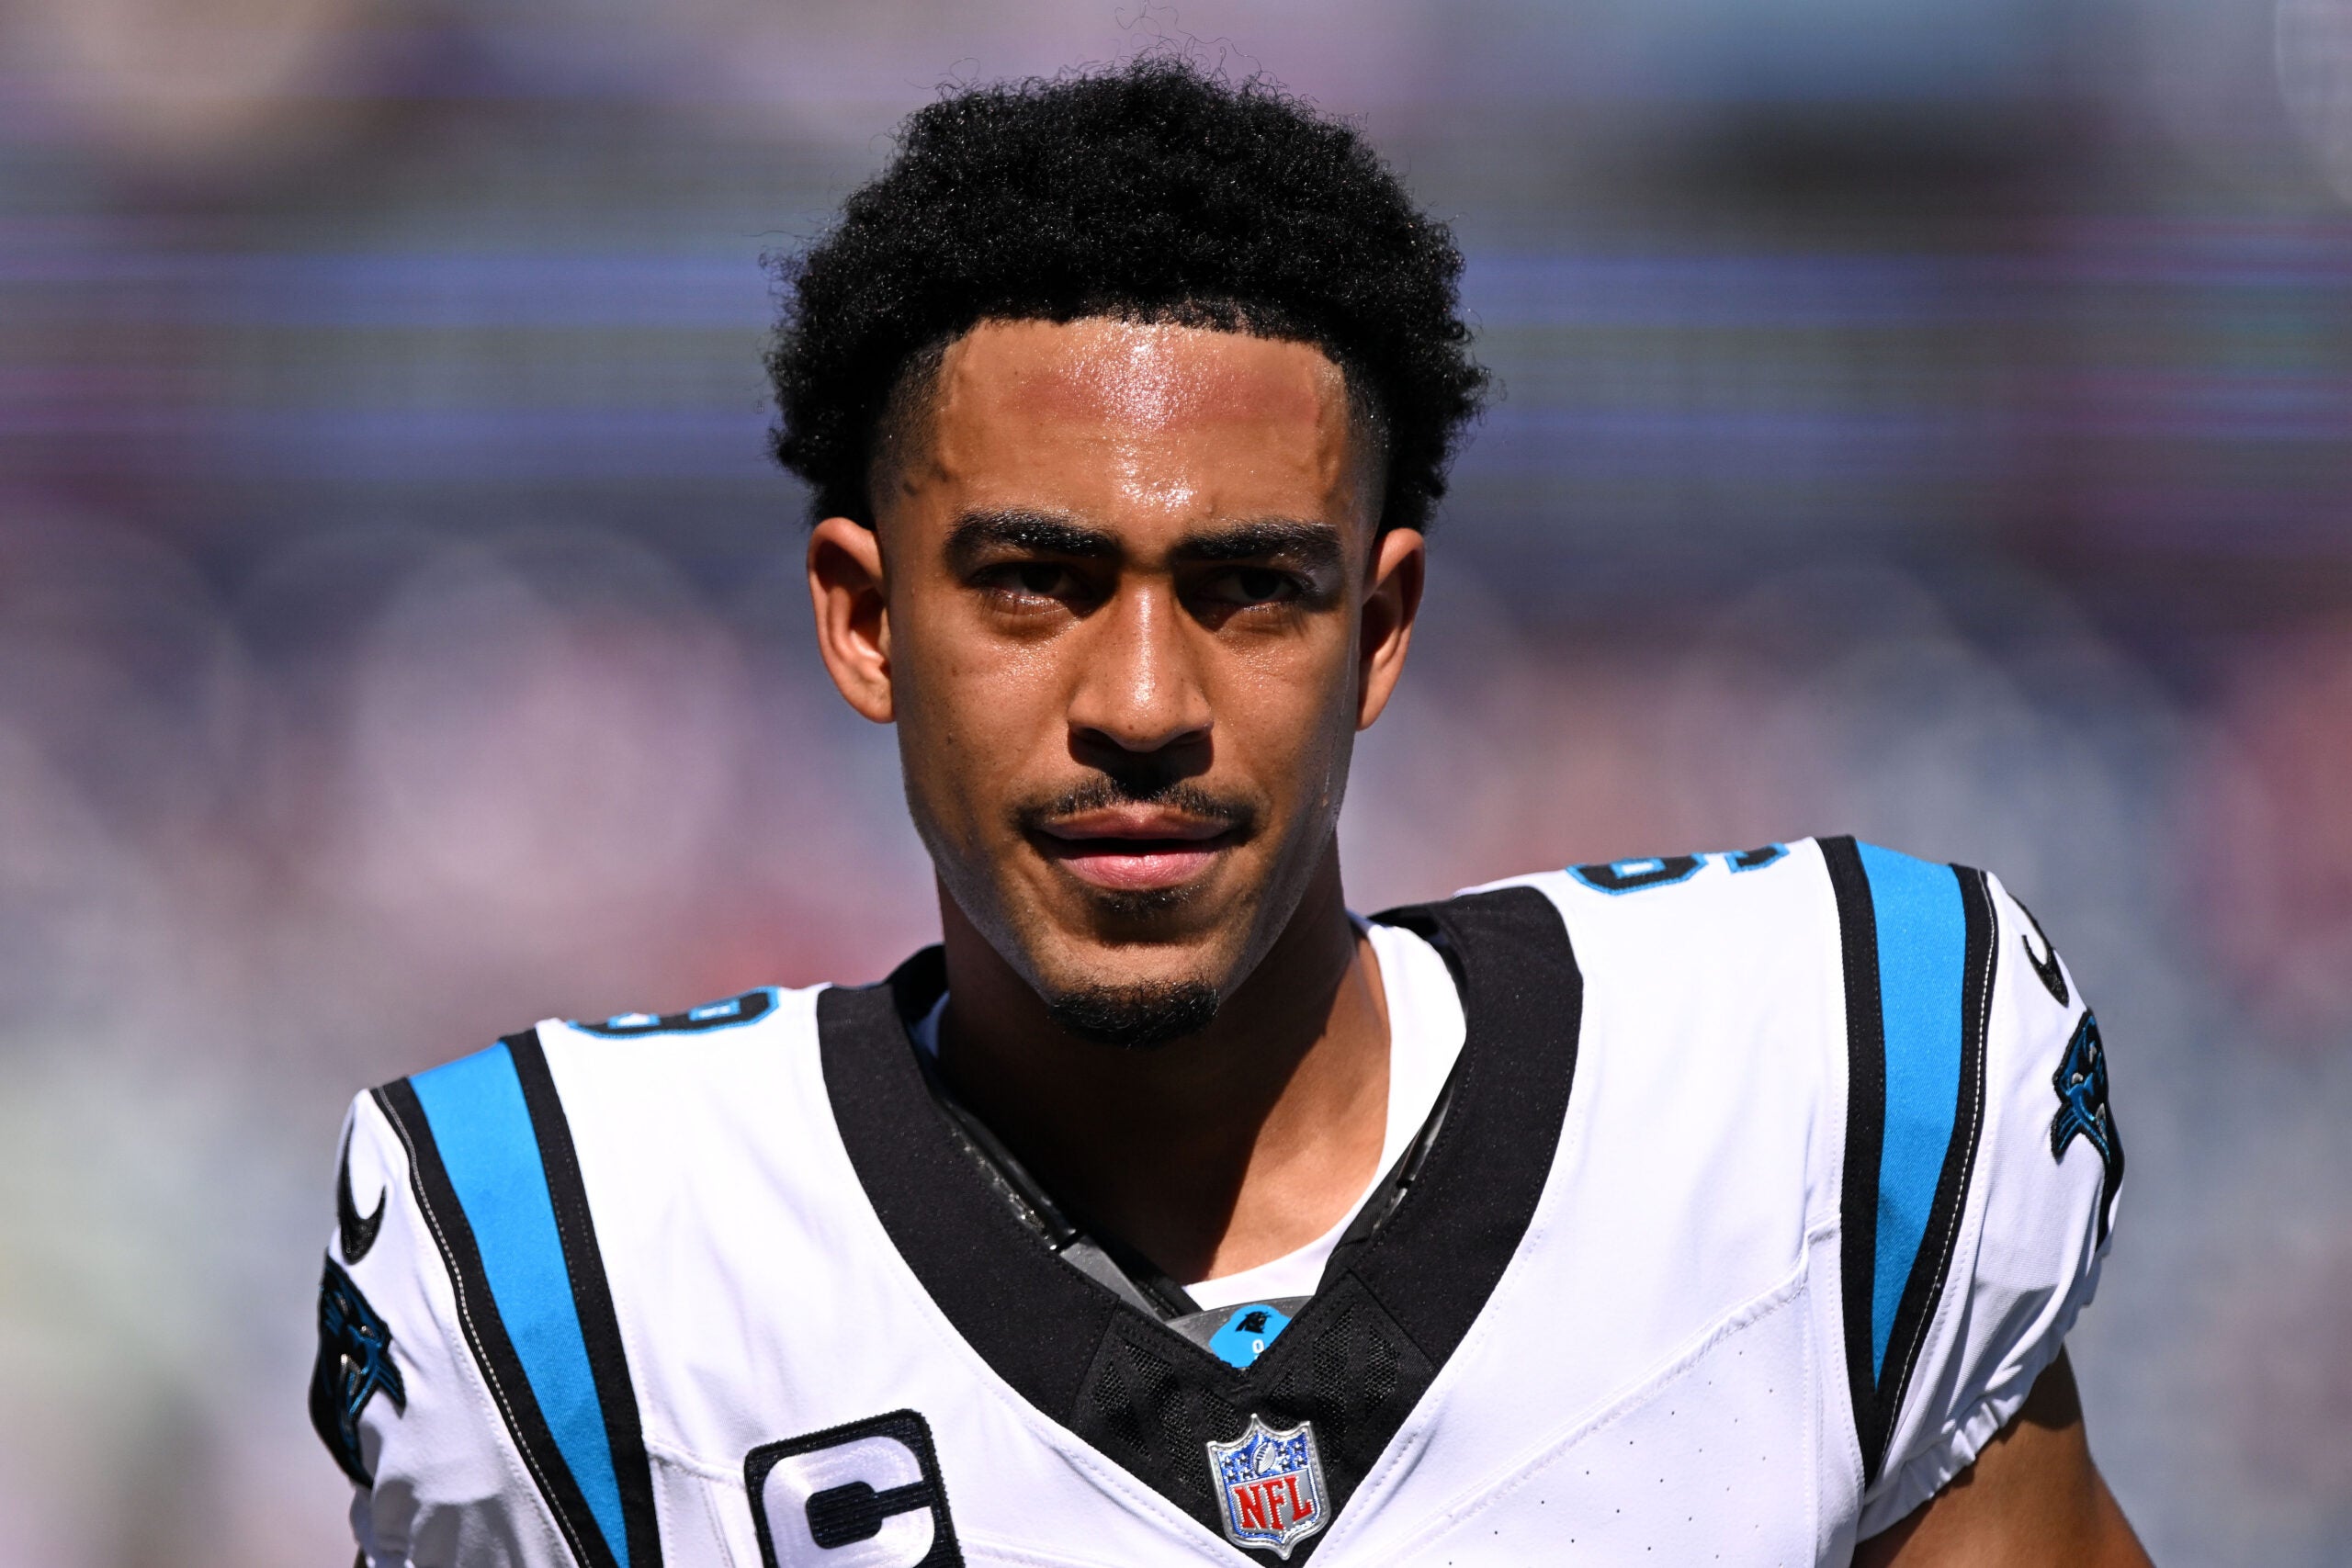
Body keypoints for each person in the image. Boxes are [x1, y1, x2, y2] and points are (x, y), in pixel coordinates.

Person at [310, 58, 2148, 1568]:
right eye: (1032, 579)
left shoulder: (1818, 1088)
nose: (1137, 704)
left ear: (1380, 623)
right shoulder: (579, 1258)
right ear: (866, 623)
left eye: (1249, 585)